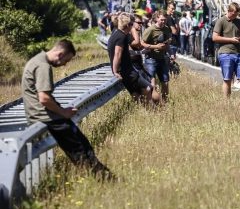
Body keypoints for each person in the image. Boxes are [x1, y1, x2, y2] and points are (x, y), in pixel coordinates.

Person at [21, 40, 113, 179]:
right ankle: (102, 179)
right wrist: (63, 112)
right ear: (60, 54)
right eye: (66, 60)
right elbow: (44, 98)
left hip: (45, 115)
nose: (65, 64)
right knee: (80, 150)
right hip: (47, 117)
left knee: (83, 145)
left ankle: (104, 177)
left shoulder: (37, 60)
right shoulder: (43, 66)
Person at [107, 13, 154, 103]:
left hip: (125, 71)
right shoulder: (122, 37)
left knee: (135, 93)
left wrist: (115, 71)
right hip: (127, 72)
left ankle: (143, 112)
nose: (133, 27)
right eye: (132, 24)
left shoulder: (115, 34)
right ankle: (150, 111)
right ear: (128, 25)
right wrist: (116, 71)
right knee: (148, 88)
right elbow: (117, 54)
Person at [212, 2, 240, 98]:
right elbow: (215, 38)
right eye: (233, 14)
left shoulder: (239, 22)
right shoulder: (221, 21)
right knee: (227, 79)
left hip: (239, 53)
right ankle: (226, 101)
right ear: (228, 11)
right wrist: (230, 40)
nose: (235, 16)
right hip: (226, 53)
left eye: (236, 14)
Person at [142, 10, 172, 101]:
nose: (163, 22)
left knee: (165, 83)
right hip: (151, 59)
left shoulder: (166, 29)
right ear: (156, 19)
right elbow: (142, 43)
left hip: (162, 58)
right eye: (162, 20)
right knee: (152, 84)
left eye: (165, 20)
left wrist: (168, 47)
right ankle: (154, 104)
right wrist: (155, 46)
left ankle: (165, 103)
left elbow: (168, 40)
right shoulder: (150, 30)